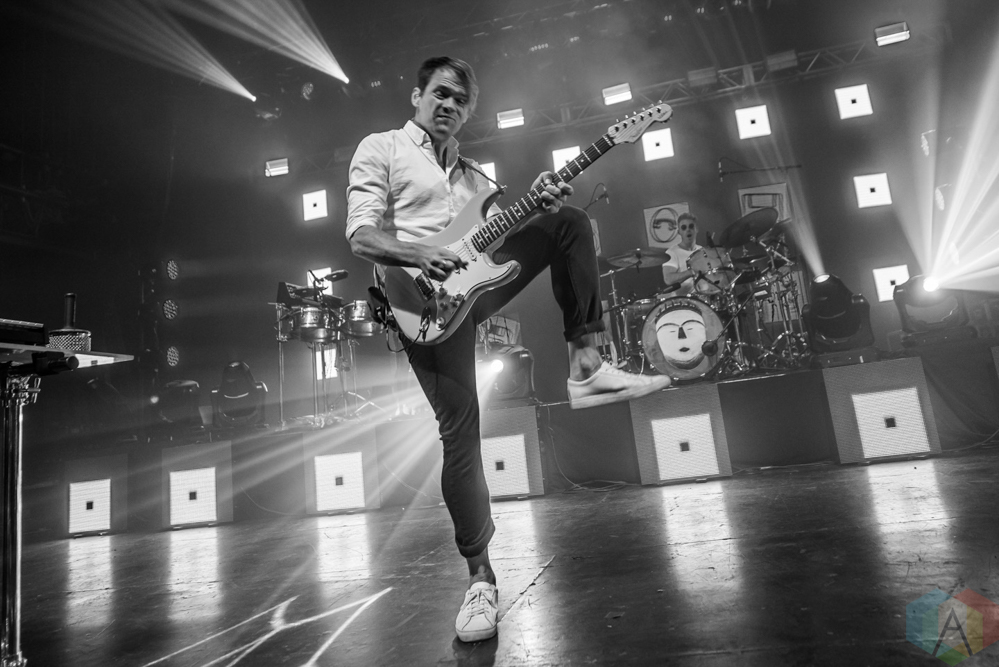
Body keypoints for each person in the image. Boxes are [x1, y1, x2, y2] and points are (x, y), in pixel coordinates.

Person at [345, 56, 671, 643]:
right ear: (418, 95)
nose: (448, 105)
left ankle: (586, 365)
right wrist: (419, 253)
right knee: (460, 434)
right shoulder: (382, 147)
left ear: (468, 112)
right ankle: (480, 580)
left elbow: (491, 235)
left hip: (477, 288)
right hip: (422, 305)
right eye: (440, 93)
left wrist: (536, 204)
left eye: (460, 100)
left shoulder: (474, 176)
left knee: (569, 222)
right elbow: (361, 234)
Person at [660, 212, 702, 295]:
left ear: (696, 229)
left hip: (702, 297)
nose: (688, 230)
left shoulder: (702, 250)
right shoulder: (672, 252)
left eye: (691, 226)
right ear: (679, 232)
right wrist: (691, 272)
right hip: (682, 300)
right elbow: (668, 279)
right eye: (684, 227)